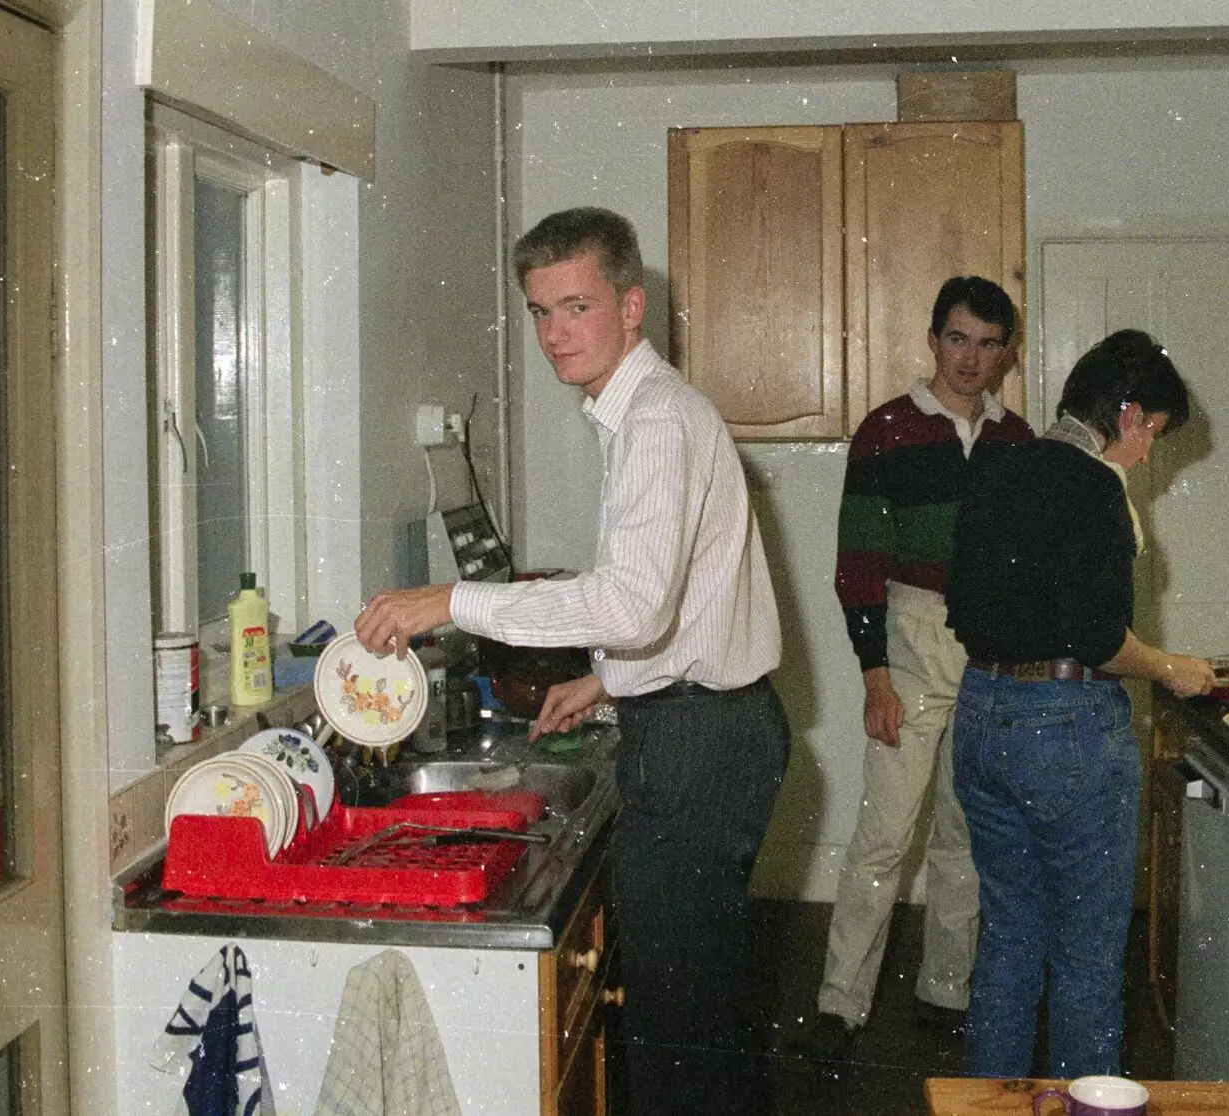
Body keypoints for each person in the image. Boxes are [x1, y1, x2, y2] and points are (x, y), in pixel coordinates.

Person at [353, 207, 789, 1116]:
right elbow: (687, 598)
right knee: (695, 1020)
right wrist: (606, 680)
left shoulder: (657, 422)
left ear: (632, 307)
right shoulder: (637, 413)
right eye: (540, 311)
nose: (555, 334)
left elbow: (630, 602)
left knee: (678, 1039)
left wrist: (451, 600)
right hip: (712, 724)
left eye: (577, 306)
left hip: (699, 745)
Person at [944, 328, 1216, 1078]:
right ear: (1128, 417)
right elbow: (1100, 640)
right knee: (1089, 957)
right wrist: (1170, 669)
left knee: (1008, 939)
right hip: (1065, 728)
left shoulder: (996, 468)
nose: (1149, 453)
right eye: (1153, 434)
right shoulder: (1096, 486)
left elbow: (960, 609)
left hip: (979, 717)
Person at [796, 277, 1034, 1064]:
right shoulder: (886, 431)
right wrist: (874, 675)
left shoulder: (1016, 442)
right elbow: (857, 564)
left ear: (1005, 352)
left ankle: (945, 989)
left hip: (993, 650)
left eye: (988, 343)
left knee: (967, 834)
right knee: (883, 837)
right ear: (933, 339)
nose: (971, 358)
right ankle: (840, 1004)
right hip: (910, 640)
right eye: (958, 339)